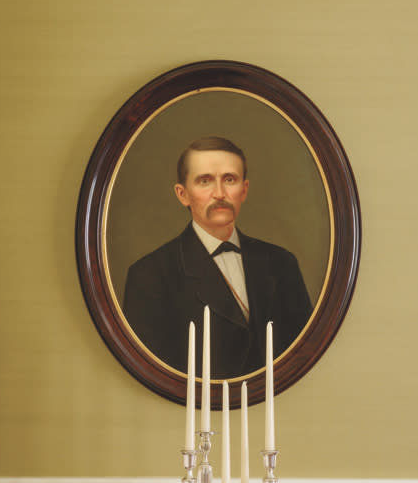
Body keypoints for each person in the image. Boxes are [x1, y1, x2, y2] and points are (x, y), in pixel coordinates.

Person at [123, 137, 313, 377]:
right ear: (183, 194)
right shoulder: (149, 275)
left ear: (243, 190)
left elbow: (304, 355)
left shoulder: (282, 263)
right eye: (205, 181)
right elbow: (152, 372)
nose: (220, 193)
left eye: (229, 180)